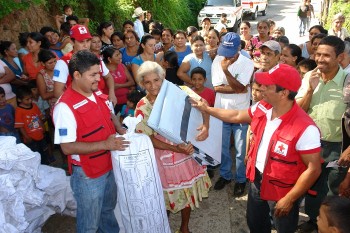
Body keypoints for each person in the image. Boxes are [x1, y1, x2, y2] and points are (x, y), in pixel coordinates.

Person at [192, 63, 322, 233]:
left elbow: (313, 169)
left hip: (283, 190)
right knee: (256, 224)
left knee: (284, 227)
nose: (261, 89)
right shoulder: (263, 107)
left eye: (267, 86)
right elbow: (237, 115)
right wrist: (206, 109)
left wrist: (290, 199)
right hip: (257, 180)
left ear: (283, 93)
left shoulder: (306, 128)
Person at [53, 50, 128, 232]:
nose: (98, 78)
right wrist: (106, 144)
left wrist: (121, 129)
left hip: (108, 167)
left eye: (98, 73)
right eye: (93, 75)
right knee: (89, 225)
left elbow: (110, 115)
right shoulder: (65, 107)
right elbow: (67, 147)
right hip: (88, 176)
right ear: (77, 75)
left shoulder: (98, 95)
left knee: (107, 212)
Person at [134, 61, 211, 233]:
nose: (153, 86)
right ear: (142, 84)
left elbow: (203, 104)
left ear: (162, 78)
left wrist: (206, 126)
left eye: (156, 80)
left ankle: (184, 227)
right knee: (165, 195)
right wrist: (176, 149)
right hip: (163, 156)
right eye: (147, 82)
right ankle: (163, 226)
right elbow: (148, 138)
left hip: (186, 151)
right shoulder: (142, 107)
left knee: (186, 191)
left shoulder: (177, 92)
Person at [296, 36, 348, 233]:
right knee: (311, 187)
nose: (320, 59)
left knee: (332, 190)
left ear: (340, 57)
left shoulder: (348, 82)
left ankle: (330, 225)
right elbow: (298, 112)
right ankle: (313, 219)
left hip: (337, 149)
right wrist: (309, 89)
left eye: (326, 55)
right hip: (310, 146)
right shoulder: (310, 76)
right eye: (318, 54)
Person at [211, 32, 254, 197]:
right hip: (221, 111)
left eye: (230, 52)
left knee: (241, 149)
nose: (225, 56)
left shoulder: (247, 63)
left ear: (239, 48)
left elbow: (241, 89)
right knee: (222, 147)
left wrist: (226, 71)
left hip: (240, 113)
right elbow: (217, 87)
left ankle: (241, 180)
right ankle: (225, 175)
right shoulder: (217, 59)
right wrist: (237, 87)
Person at [53, 25, 117, 106]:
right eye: (81, 41)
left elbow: (108, 77)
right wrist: (78, 104)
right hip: (81, 106)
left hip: (101, 101)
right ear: (72, 42)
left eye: (88, 41)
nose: (86, 45)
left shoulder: (96, 58)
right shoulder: (63, 63)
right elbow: (57, 92)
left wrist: (112, 93)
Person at [15, 85, 49, 164]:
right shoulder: (19, 110)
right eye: (27, 99)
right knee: (34, 156)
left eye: (31, 98)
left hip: (40, 134)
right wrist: (26, 137)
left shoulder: (34, 106)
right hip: (30, 138)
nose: (30, 101)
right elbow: (20, 126)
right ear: (19, 100)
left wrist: (43, 127)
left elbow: (39, 118)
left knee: (43, 153)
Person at [102, 47, 135, 114]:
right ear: (109, 59)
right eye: (117, 55)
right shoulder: (103, 71)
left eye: (119, 54)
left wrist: (119, 85)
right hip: (112, 103)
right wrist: (124, 85)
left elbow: (132, 82)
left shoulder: (122, 66)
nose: (120, 56)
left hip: (126, 102)